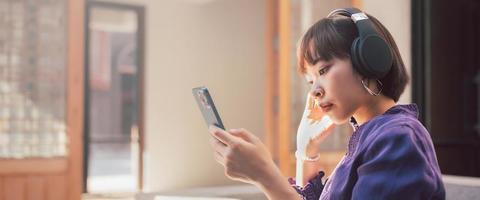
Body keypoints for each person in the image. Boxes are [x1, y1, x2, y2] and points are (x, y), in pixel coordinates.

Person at [208, 8, 445, 200]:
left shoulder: (396, 139)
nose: (314, 90)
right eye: (310, 80)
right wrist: (306, 150)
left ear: (369, 60)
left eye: (323, 70)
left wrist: (265, 176)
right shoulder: (370, 138)